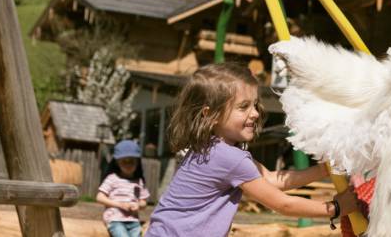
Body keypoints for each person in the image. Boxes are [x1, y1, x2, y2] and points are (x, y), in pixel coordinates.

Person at [146, 63, 358, 237]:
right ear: (211, 115)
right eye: (243, 106)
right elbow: (282, 204)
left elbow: (270, 179)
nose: (255, 113)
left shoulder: (212, 149)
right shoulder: (227, 157)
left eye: (255, 105)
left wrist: (321, 171)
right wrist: (335, 208)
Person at [97, 140, 150, 237]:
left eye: (132, 161)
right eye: (124, 161)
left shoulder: (139, 181)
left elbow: (144, 202)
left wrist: (138, 205)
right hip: (115, 219)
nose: (128, 164)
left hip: (133, 221)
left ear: (137, 162)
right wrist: (119, 204)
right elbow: (100, 197)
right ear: (117, 162)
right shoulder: (112, 178)